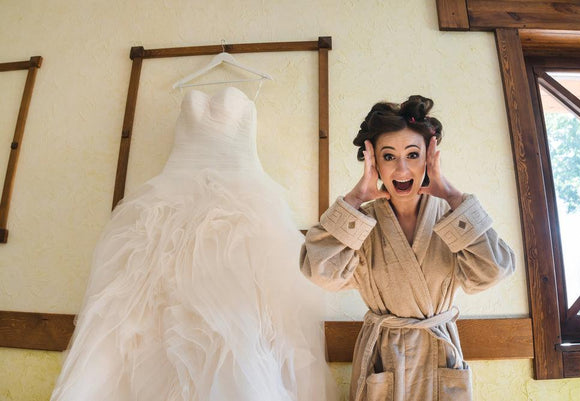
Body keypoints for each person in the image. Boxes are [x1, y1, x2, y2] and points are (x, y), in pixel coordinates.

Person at [51, 87, 336, 401]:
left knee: (236, 323)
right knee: (143, 318)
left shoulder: (254, 88)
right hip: (168, 206)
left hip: (239, 208)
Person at [300, 95, 515, 401]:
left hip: (439, 357)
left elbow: (494, 271)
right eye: (388, 156)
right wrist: (356, 198)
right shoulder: (360, 223)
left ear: (429, 158)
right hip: (383, 359)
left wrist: (453, 196)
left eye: (413, 154)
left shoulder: (453, 218)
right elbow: (320, 272)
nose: (401, 168)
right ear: (374, 162)